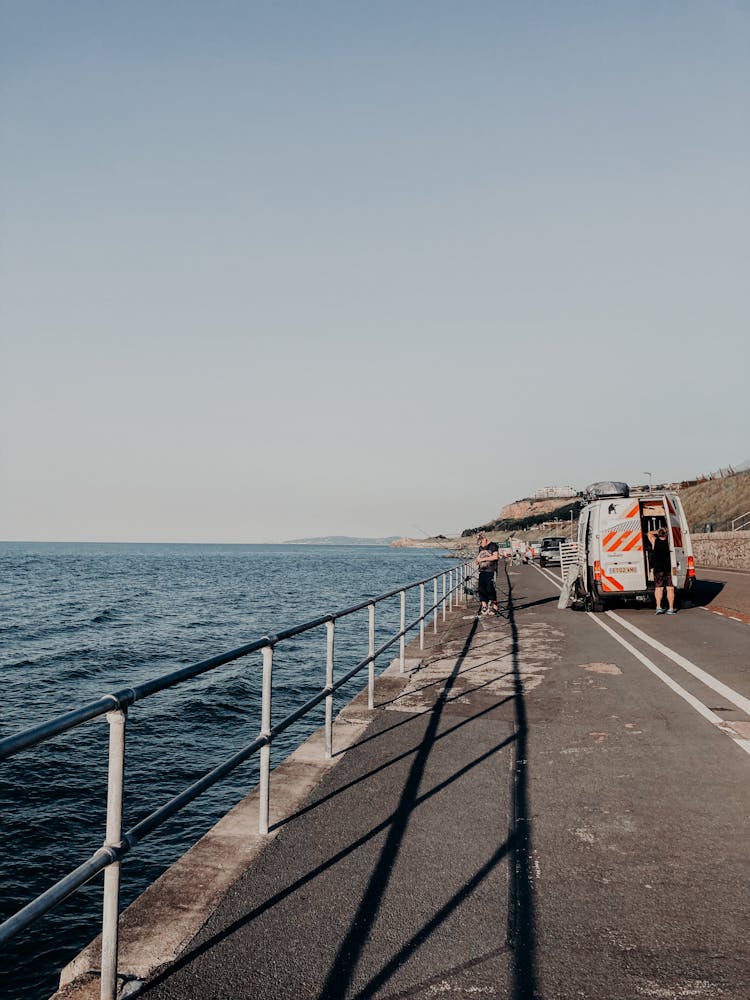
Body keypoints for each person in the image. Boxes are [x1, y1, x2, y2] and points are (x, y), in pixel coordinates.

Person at [647, 525, 675, 614]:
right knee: (670, 588)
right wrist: (666, 531)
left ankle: (659, 607)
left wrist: (657, 531)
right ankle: (670, 608)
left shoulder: (654, 541)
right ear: (666, 534)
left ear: (659, 534)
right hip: (668, 569)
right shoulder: (669, 542)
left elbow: (649, 533)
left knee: (658, 588)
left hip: (658, 569)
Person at [475, 534, 500, 614]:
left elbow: (496, 557)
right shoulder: (480, 548)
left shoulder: (493, 545)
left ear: (484, 539)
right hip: (482, 570)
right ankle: (484, 606)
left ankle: (494, 606)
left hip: (491, 570)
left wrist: (482, 559)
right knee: (481, 589)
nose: (480, 545)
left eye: (481, 543)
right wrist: (477, 561)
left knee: (490, 588)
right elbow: (479, 558)